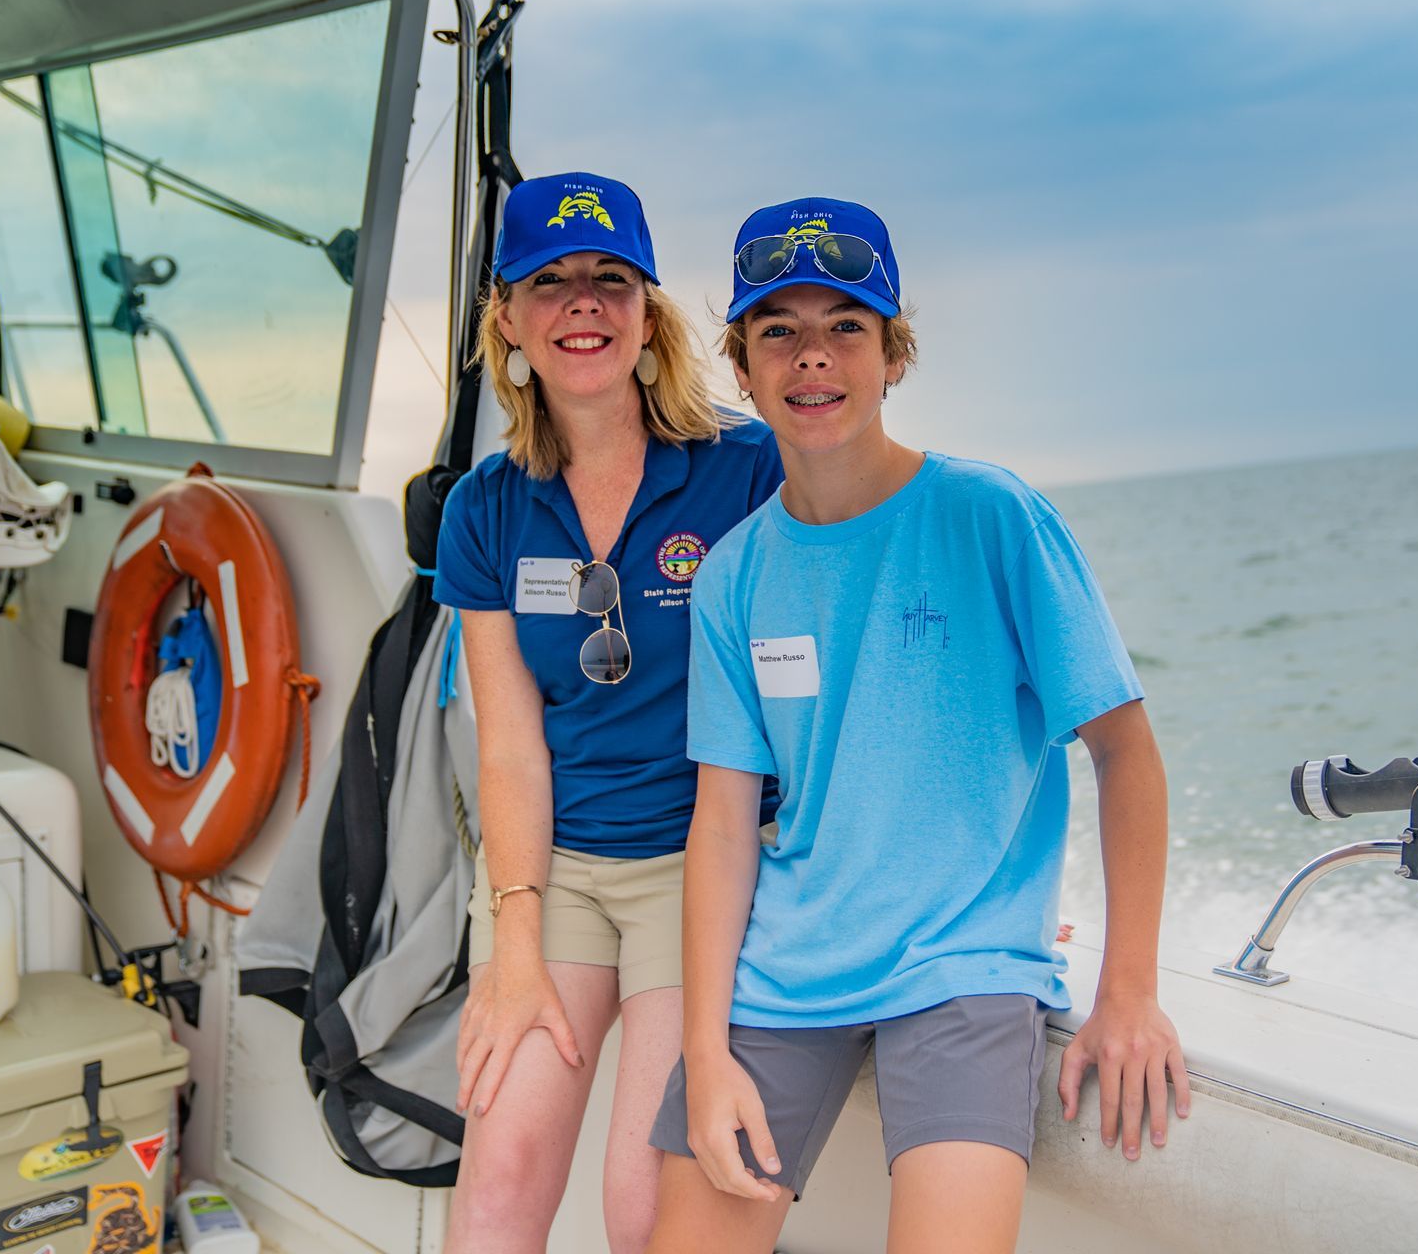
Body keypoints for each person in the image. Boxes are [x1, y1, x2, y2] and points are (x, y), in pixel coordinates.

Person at [644, 199, 1190, 1253]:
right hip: (789, 969)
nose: (813, 357)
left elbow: (1127, 752)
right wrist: (706, 1052)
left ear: (894, 354)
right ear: (743, 368)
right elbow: (722, 827)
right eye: (778, 332)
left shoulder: (993, 514)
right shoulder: (731, 577)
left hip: (964, 961)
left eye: (846, 325)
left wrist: (1130, 989)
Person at [432, 171, 782, 1253]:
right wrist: (515, 941)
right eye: (550, 281)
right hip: (558, 871)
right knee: (494, 1197)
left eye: (609, 280)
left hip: (701, 867)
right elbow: (512, 750)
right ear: (506, 316)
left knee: (644, 1212)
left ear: (646, 311)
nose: (581, 303)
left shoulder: (748, 468)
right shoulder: (483, 507)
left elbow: (834, 681)